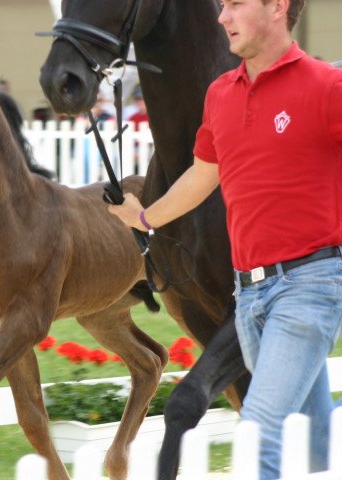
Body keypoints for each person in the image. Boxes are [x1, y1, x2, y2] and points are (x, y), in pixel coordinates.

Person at [108, 1, 342, 479]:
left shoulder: (326, 87)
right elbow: (202, 176)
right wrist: (146, 217)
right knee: (316, 444)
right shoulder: (220, 94)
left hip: (309, 289)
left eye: (236, 4)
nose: (222, 17)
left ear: (277, 7)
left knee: (260, 431)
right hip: (249, 298)